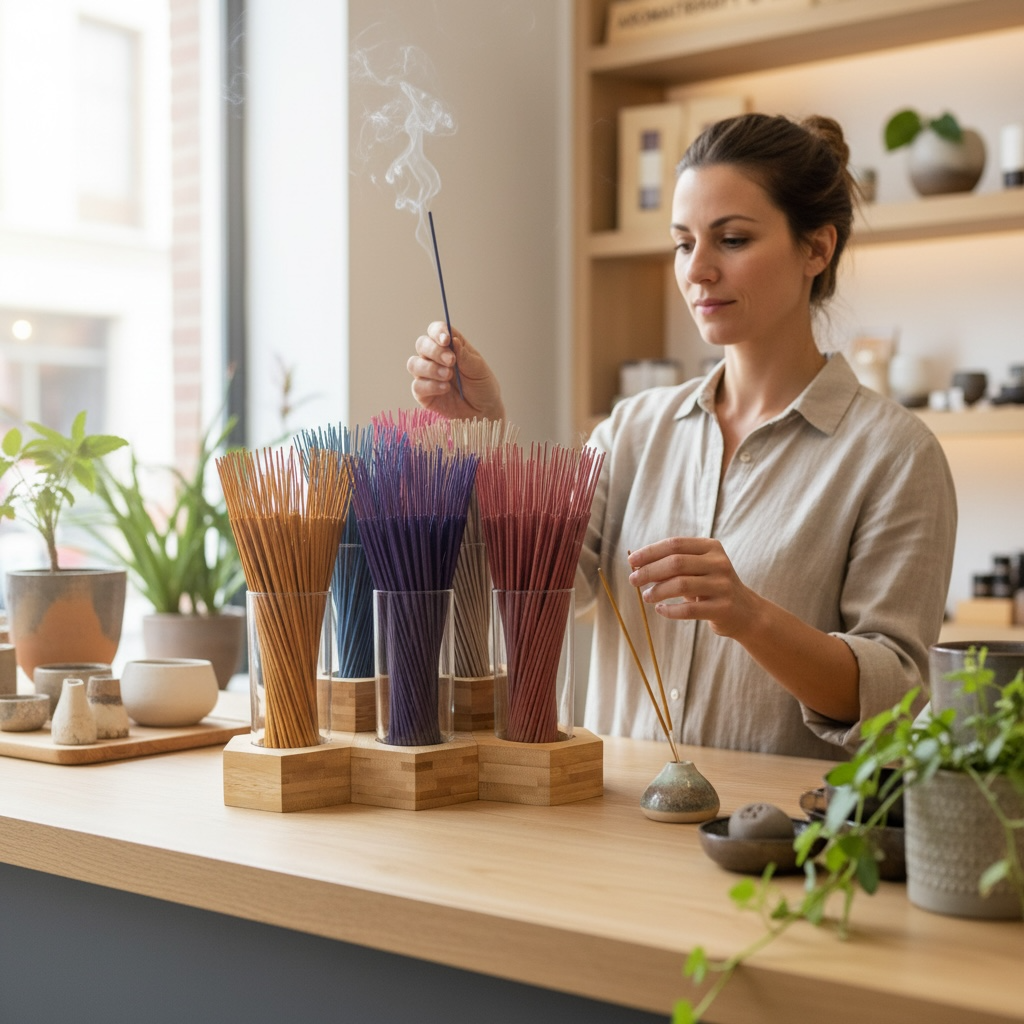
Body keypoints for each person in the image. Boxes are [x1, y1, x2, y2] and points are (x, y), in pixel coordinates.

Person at [407, 112, 957, 759]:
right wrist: (484, 430)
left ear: (817, 248)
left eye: (731, 240)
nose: (697, 271)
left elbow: (896, 695)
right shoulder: (632, 430)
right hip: (616, 827)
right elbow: (538, 584)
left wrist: (750, 617)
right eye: (682, 242)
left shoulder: (895, 456)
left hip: (779, 846)